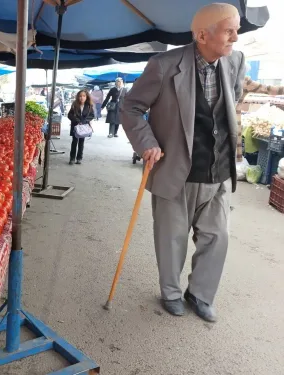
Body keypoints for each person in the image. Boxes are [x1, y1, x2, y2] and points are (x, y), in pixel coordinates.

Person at [120, 3, 245, 322]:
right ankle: (172, 292)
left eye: (236, 28)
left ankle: (200, 294)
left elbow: (234, 101)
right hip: (176, 169)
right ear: (203, 34)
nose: (236, 36)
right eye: (229, 29)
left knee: (217, 238)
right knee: (172, 238)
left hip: (217, 171)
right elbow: (131, 108)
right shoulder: (164, 65)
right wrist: (147, 142)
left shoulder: (236, 62)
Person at [67, 89, 95, 165]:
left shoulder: (89, 106)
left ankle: (79, 158)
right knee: (74, 142)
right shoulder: (75, 105)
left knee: (81, 143)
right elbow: (69, 115)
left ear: (86, 97)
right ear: (78, 97)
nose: (82, 98)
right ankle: (72, 158)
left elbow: (92, 115)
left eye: (83, 96)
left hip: (84, 127)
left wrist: (84, 122)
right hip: (75, 127)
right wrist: (76, 120)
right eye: (80, 96)